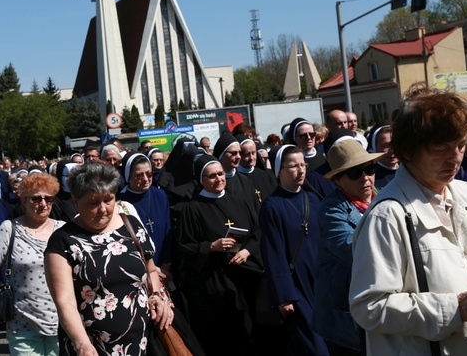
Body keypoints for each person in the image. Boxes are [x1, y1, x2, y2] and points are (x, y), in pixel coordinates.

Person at [350, 85, 467, 355]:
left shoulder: (466, 193)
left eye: (460, 145)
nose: (455, 157)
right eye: (440, 148)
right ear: (408, 151)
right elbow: (368, 307)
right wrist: (455, 308)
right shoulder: (387, 215)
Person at [44, 163, 173, 356]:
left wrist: (157, 296)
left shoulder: (132, 226)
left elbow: (151, 270)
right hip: (93, 348)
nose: (103, 209)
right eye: (93, 203)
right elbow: (65, 301)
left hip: (142, 342)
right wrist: (82, 344)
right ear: (75, 201)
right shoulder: (63, 241)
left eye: (108, 200)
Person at [176, 154, 262, 354]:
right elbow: (184, 246)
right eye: (212, 176)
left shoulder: (239, 202)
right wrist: (211, 246)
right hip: (212, 281)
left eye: (221, 174)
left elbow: (256, 232)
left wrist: (248, 250)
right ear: (202, 180)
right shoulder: (193, 208)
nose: (219, 179)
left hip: (243, 277)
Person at [0, 173, 65, 355]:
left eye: (48, 198)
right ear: (24, 201)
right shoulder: (9, 229)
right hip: (22, 324)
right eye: (36, 198)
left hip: (62, 323)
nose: (43, 203)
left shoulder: (63, 230)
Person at [311, 140, 383, 356]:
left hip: (379, 308)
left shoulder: (384, 198)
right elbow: (355, 251)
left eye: (369, 169)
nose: (365, 178)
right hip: (346, 320)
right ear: (338, 180)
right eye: (355, 173)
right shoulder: (331, 210)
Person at [259, 145, 328, 355]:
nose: (301, 170)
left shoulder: (313, 199)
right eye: (293, 166)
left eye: (303, 165)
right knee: (316, 346)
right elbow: (274, 252)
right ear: (279, 170)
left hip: (321, 282)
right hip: (296, 285)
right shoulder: (272, 206)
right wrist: (284, 295)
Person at [117, 153, 173, 275]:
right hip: (138, 269)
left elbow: (168, 230)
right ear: (128, 177)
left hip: (164, 267)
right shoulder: (120, 203)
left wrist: (165, 265)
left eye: (149, 173)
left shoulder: (160, 195)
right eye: (139, 176)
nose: (146, 179)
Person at [366, 120, 398, 189]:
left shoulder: (410, 170)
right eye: (386, 145)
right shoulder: (370, 176)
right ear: (375, 147)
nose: (392, 150)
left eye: (395, 144)